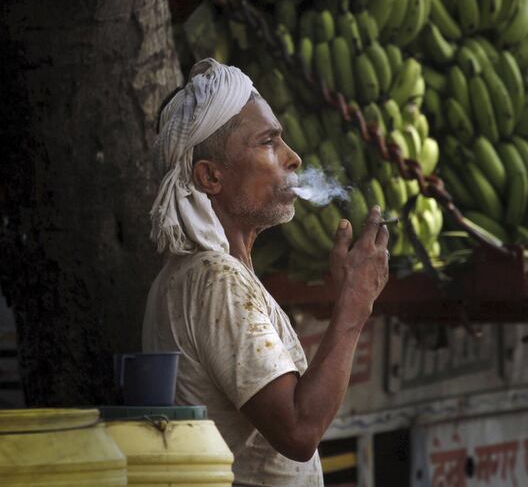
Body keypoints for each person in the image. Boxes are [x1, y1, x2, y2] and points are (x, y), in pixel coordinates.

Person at [142, 58, 389, 486]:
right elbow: (298, 430)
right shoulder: (215, 281)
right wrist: (354, 304)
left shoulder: (212, 276)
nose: (292, 158)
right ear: (211, 177)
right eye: (268, 143)